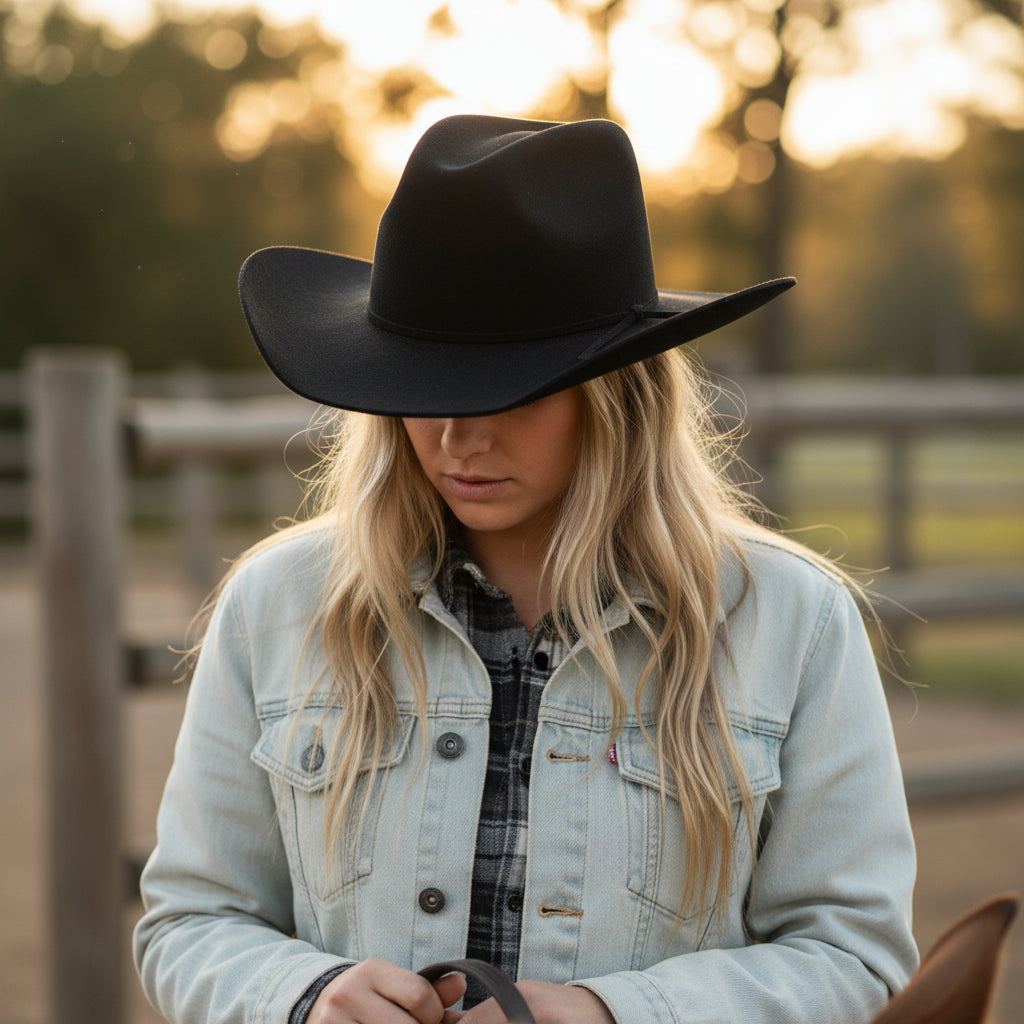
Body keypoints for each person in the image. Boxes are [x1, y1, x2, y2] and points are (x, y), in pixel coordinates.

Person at [133, 114, 918, 1024]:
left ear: (618, 393)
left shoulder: (791, 620)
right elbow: (192, 919)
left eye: (513, 390)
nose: (459, 439)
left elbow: (855, 958)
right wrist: (306, 997)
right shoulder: (276, 606)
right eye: (425, 387)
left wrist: (607, 1013)